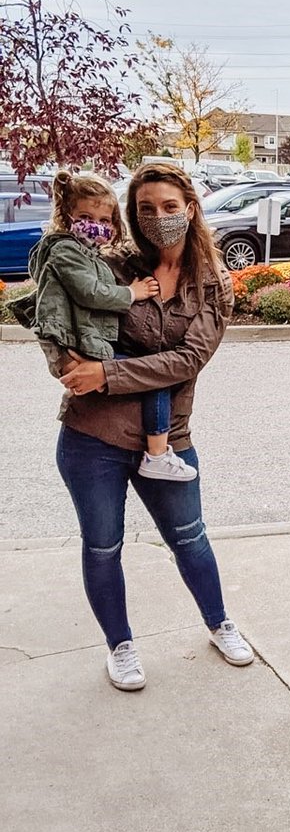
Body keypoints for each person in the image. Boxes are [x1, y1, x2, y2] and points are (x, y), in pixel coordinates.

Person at [55, 162, 254, 691]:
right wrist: (71, 365)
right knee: (102, 546)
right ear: (133, 215)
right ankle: (119, 644)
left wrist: (109, 371)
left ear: (190, 207)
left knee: (190, 538)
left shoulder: (214, 285)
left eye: (169, 207)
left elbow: (188, 359)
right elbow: (63, 317)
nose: (158, 218)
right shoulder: (111, 266)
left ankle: (219, 622)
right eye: (146, 209)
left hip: (168, 440)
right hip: (93, 436)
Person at [19, 169, 196, 482]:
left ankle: (158, 452)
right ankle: (157, 454)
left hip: (85, 345)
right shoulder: (67, 251)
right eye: (85, 216)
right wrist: (133, 293)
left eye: (105, 220)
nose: (96, 226)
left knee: (153, 375)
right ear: (66, 216)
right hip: (81, 351)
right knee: (154, 377)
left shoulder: (91, 254)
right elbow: (91, 293)